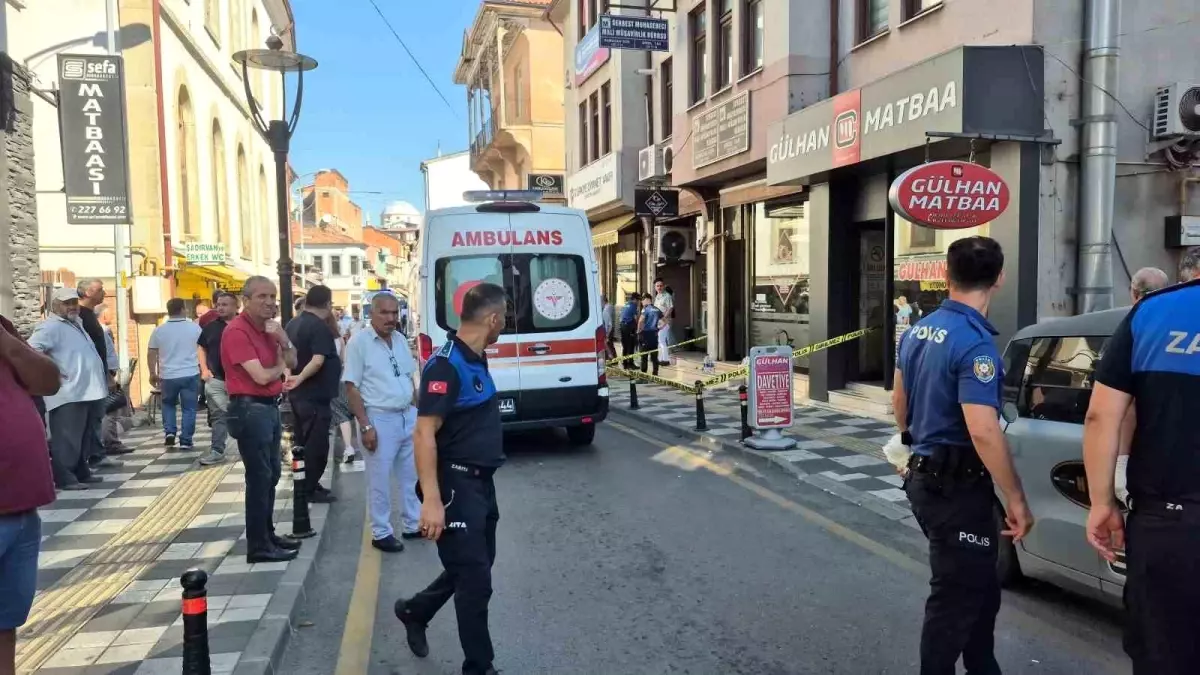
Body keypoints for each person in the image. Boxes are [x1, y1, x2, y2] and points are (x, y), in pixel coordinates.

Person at [891, 236, 1033, 675]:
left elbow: (900, 401)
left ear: (945, 275)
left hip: (925, 478)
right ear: (999, 279)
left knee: (980, 587)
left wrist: (912, 440)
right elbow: (983, 430)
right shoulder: (975, 344)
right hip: (954, 488)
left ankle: (982, 665)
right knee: (955, 596)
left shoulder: (918, 330)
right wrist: (1016, 498)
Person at [1083, 273, 1200, 675]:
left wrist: (1102, 502)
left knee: (1163, 656)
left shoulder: (1152, 312)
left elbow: (1101, 416)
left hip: (1168, 529)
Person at [394, 282, 507, 674]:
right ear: (492, 319)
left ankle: (416, 610)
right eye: (504, 318)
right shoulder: (446, 365)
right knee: (475, 582)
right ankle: (479, 667)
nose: (504, 325)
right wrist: (432, 500)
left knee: (475, 565)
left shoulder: (475, 357)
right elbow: (424, 432)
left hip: (480, 484)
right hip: (457, 486)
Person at [221, 276, 300, 563]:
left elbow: (293, 361)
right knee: (259, 477)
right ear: (246, 300)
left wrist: (283, 339)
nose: (269, 303)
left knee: (272, 474)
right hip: (249, 409)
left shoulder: (269, 329)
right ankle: (258, 546)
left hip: (267, 407)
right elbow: (262, 376)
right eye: (262, 297)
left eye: (272, 297)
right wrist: (280, 365)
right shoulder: (236, 331)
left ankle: (267, 535)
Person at [0, 312, 60, 675]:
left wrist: (7, 343)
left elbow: (49, 382)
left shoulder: (3, 329)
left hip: (21, 507)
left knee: (5, 624)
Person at [343, 292, 420, 553]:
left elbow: (408, 377)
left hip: (406, 415)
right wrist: (365, 426)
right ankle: (381, 532)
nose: (390, 318)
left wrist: (417, 412)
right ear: (371, 313)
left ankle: (413, 524)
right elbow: (351, 387)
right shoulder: (359, 343)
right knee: (379, 480)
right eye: (384, 312)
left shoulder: (399, 339)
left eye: (394, 313)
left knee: (411, 475)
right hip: (379, 417)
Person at [29, 288, 113, 491]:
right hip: (69, 392)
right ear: (55, 305)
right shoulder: (50, 326)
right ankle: (65, 477)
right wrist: (53, 370)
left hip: (88, 391)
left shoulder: (76, 322)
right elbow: (32, 349)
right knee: (67, 437)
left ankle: (81, 471)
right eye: (67, 303)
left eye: (74, 302)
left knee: (84, 435)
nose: (72, 306)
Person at [1111, 267, 1171, 506]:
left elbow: (1122, 405)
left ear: (1133, 293)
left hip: (1142, 460)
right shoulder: (1181, 327)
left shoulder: (1130, 329)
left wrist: (1120, 465)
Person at [284, 285, 341, 503]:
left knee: (303, 440)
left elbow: (286, 355)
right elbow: (318, 360)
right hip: (314, 395)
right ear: (327, 303)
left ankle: (309, 483)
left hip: (300, 396)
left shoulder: (293, 323)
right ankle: (308, 488)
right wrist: (299, 378)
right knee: (316, 444)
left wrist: (289, 376)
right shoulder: (318, 326)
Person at [77, 281, 126, 464]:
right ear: (88, 292)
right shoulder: (81, 316)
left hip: (98, 374)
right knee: (93, 416)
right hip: (89, 376)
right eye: (99, 289)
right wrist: (106, 376)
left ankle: (96, 453)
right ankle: (93, 455)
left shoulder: (89, 315)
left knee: (97, 415)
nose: (104, 292)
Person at [148, 298, 204, 449]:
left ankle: (170, 432)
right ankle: (186, 440)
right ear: (183, 309)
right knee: (189, 408)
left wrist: (152, 372)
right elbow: (202, 349)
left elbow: (151, 352)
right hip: (190, 373)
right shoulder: (195, 328)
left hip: (168, 375)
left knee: (168, 404)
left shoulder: (159, 330)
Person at [197, 292, 238, 465]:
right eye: (218, 304)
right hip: (216, 380)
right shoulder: (211, 327)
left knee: (244, 415)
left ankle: (250, 449)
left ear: (236, 307)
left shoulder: (244, 325)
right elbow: (201, 347)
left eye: (225, 304)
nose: (220, 308)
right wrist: (204, 369)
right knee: (218, 416)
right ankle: (217, 450)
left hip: (241, 381)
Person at [637, 294, 664, 376]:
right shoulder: (657, 309)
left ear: (647, 299)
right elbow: (664, 321)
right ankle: (655, 373)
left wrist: (639, 331)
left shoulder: (646, 309)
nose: (642, 302)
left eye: (643, 300)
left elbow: (640, 321)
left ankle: (643, 374)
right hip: (654, 335)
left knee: (644, 356)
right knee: (654, 356)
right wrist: (658, 329)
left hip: (645, 335)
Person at [618, 292, 639, 370]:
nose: (638, 302)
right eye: (637, 300)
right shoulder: (634, 305)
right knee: (631, 345)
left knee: (625, 346)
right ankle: (630, 363)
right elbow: (636, 317)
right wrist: (637, 328)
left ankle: (625, 363)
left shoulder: (626, 304)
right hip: (629, 327)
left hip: (622, 326)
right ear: (635, 299)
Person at [600, 293, 616, 360]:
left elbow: (608, 324)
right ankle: (613, 359)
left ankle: (612, 359)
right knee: (610, 345)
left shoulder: (606, 309)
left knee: (608, 345)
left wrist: (607, 334)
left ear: (603, 301)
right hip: (610, 329)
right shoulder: (609, 307)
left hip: (608, 330)